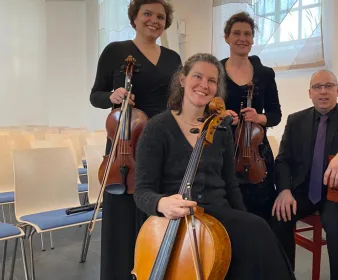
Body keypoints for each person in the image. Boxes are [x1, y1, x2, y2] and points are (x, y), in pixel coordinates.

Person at [133, 53, 296, 280]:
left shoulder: (220, 128)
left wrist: (244, 219)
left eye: (212, 81)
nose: (204, 85)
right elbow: (142, 192)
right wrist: (162, 203)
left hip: (218, 214)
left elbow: (230, 184)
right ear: (182, 79)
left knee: (258, 232)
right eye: (197, 77)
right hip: (177, 217)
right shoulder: (157, 128)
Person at [89, 1, 182, 279]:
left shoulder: (173, 58)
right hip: (124, 146)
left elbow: (177, 102)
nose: (154, 20)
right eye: (148, 14)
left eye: (161, 16)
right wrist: (112, 97)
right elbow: (96, 95)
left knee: (157, 213)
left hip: (162, 143)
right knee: (122, 217)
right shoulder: (114, 51)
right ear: (134, 18)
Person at [270, 70, 338, 279]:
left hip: (337, 190)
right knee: (278, 217)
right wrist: (284, 190)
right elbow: (282, 160)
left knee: (336, 225)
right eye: (317, 87)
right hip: (304, 189)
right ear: (310, 93)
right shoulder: (295, 120)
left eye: (328, 86)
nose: (323, 92)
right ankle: (285, 274)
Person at [220, 12, 282, 222]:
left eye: (247, 34)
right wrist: (221, 114)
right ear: (226, 37)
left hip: (257, 153)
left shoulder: (265, 74)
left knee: (260, 212)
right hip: (224, 150)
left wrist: (259, 118)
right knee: (228, 211)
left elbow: (276, 115)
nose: (242, 38)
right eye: (236, 33)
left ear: (253, 39)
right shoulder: (216, 71)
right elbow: (205, 109)